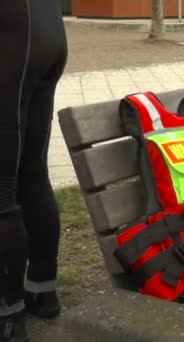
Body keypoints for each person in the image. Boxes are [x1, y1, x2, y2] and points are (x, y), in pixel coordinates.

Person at [1, 0, 68, 341]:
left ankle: (7, 316)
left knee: (2, 189)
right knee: (32, 172)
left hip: (11, 33)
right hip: (47, 25)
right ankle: (43, 290)